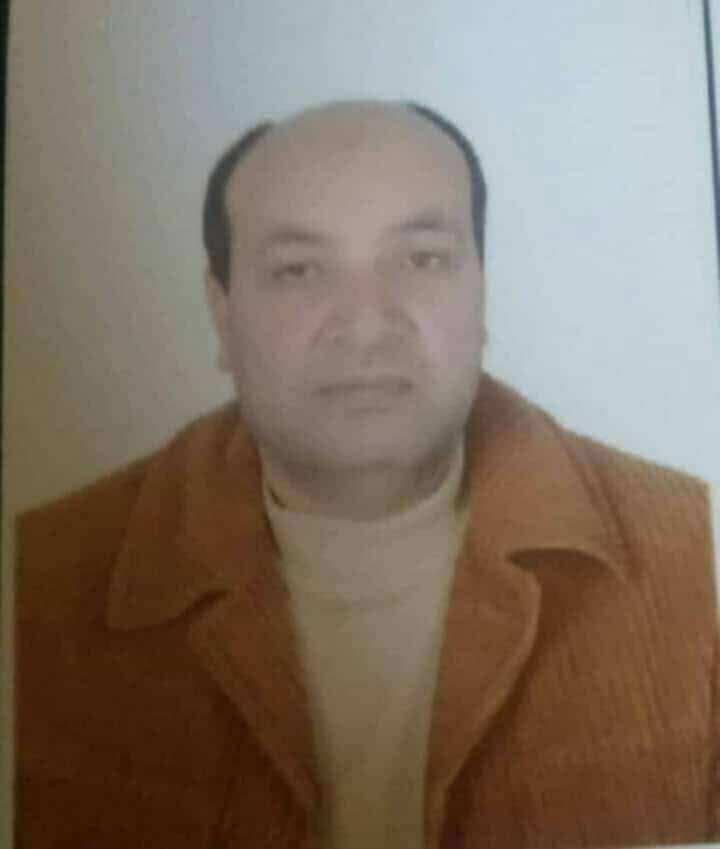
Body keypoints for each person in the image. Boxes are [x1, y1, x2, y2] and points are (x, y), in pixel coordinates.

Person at [15, 99, 718, 849]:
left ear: (481, 289)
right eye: (299, 270)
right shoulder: (36, 579)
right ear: (222, 314)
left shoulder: (691, 550)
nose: (368, 323)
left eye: (422, 260)